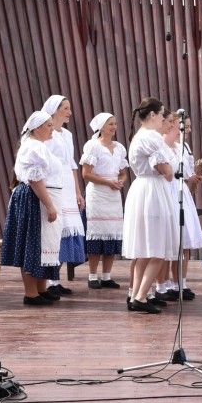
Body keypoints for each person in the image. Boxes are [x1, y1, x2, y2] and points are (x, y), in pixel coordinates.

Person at [0, 111, 64, 306]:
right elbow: (35, 179)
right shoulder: (34, 146)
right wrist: (49, 204)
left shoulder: (39, 145)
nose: (53, 129)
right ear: (37, 128)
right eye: (49, 125)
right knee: (34, 244)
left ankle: (41, 289)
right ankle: (31, 294)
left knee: (45, 244)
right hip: (35, 199)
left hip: (43, 197)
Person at [122, 97, 179, 314]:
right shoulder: (152, 137)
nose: (165, 118)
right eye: (163, 114)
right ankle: (141, 296)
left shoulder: (139, 136)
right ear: (153, 115)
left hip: (142, 189)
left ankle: (137, 294)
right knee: (156, 249)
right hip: (152, 191)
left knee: (144, 250)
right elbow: (166, 171)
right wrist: (170, 172)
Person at [42, 95, 85, 296]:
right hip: (54, 184)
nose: (69, 112)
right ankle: (48, 281)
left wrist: (77, 191)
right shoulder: (47, 133)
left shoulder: (66, 134)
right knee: (54, 233)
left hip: (68, 186)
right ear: (54, 109)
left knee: (66, 233)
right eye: (65, 108)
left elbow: (72, 165)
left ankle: (54, 279)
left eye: (69, 108)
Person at [80, 112, 128, 289]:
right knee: (96, 234)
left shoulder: (120, 147)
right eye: (110, 124)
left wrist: (119, 182)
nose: (114, 127)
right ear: (101, 127)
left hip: (113, 195)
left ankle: (107, 276)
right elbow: (86, 174)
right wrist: (109, 182)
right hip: (98, 194)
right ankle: (92, 276)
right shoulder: (93, 146)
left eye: (115, 123)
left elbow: (123, 173)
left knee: (112, 234)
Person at [161, 112, 202, 301]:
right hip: (166, 191)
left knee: (183, 242)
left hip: (182, 193)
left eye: (188, 127)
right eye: (183, 126)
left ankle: (181, 282)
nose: (187, 130)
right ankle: (163, 284)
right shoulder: (161, 145)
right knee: (168, 242)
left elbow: (186, 172)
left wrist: (191, 178)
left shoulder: (183, 147)